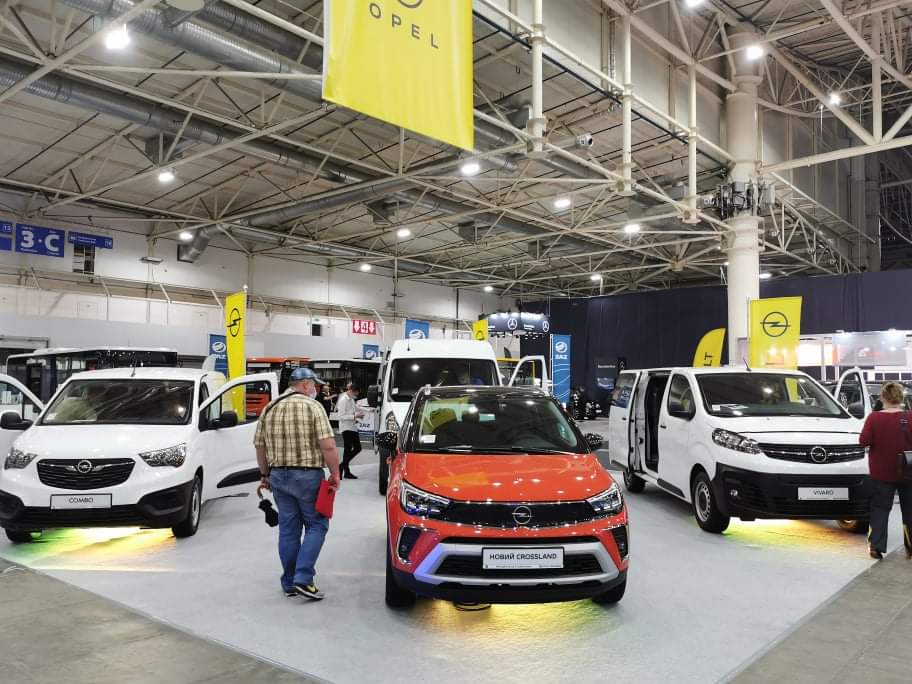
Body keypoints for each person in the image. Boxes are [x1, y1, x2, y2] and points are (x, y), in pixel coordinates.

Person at [254, 367, 342, 600]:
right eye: (314, 385)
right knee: (317, 525)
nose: (316, 389)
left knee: (288, 529)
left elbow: (260, 446)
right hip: (307, 477)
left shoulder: (269, 408)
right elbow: (328, 445)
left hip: (278, 477)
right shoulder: (313, 407)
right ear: (305, 385)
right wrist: (335, 473)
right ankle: (303, 577)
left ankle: (289, 581)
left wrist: (264, 475)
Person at [858, 381, 912, 560]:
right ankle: (911, 548)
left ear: (882, 398)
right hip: (908, 471)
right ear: (901, 398)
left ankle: (876, 547)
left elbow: (863, 441)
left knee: (880, 509)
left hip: (881, 473)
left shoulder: (874, 418)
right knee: (910, 510)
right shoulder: (910, 417)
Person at [336, 383, 364, 479]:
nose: (356, 396)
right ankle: (344, 469)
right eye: (355, 394)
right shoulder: (343, 400)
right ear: (351, 391)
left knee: (356, 448)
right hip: (346, 427)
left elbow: (356, 408)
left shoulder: (351, 399)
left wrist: (369, 410)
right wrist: (355, 416)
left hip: (352, 426)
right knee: (349, 449)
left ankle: (343, 467)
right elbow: (341, 416)